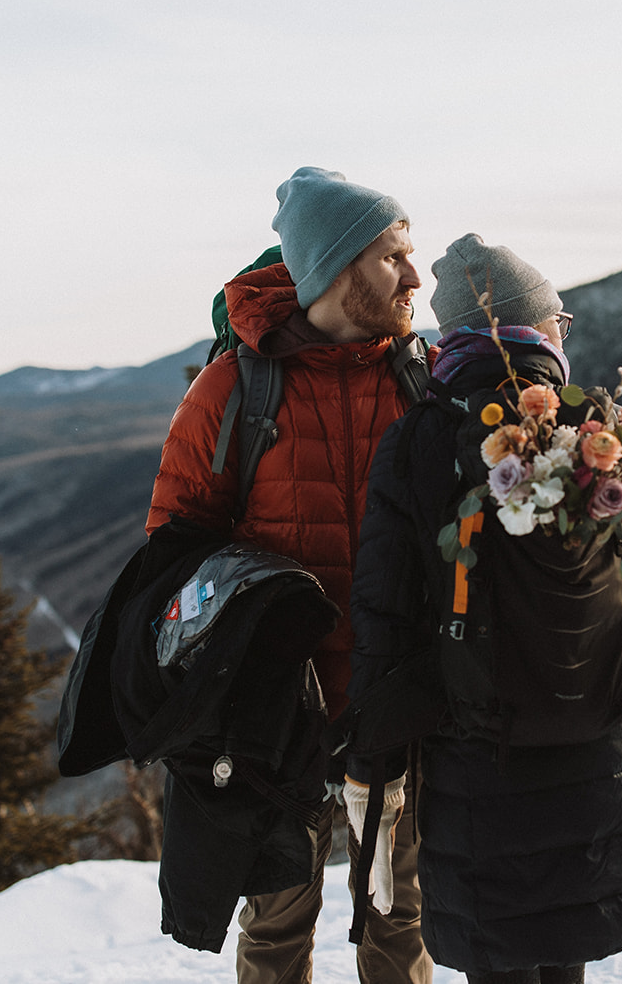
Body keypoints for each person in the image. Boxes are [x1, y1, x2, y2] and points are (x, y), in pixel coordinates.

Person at [345, 234, 622, 984]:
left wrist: (373, 769)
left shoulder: (421, 442)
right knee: (566, 959)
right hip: (598, 758)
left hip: (477, 771)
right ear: (539, 330)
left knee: (502, 962)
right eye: (561, 320)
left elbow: (384, 617)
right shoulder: (602, 433)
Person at [147, 166, 434, 984]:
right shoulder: (234, 389)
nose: (416, 276)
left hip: (395, 704)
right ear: (339, 269)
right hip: (277, 721)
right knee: (277, 928)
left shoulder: (423, 379)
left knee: (398, 921)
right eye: (393, 257)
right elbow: (173, 555)